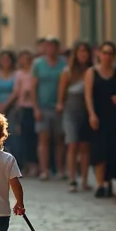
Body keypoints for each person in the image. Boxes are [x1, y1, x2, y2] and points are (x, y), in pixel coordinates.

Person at [86, 41, 116, 198]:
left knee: (112, 149)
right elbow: (88, 96)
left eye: (110, 53)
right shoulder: (92, 72)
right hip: (98, 114)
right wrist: (91, 114)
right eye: (105, 52)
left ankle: (109, 181)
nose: (107, 56)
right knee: (99, 150)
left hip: (114, 114)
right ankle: (100, 183)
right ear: (99, 54)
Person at [58, 41, 94, 191]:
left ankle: (85, 179)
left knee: (85, 146)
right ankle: (72, 178)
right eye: (80, 52)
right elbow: (62, 94)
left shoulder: (92, 71)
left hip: (86, 112)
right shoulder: (68, 72)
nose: (83, 55)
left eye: (85, 51)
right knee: (72, 144)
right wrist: (60, 104)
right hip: (70, 112)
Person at [31, 38, 67, 181]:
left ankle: (60, 169)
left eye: (54, 46)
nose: (51, 49)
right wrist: (35, 107)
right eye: (48, 46)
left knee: (59, 139)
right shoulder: (38, 64)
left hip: (59, 107)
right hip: (43, 106)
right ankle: (44, 170)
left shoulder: (63, 63)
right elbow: (34, 87)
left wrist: (61, 102)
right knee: (43, 139)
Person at [13, 50, 39, 176]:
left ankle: (35, 164)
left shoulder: (34, 72)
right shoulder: (19, 74)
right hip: (22, 106)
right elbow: (16, 90)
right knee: (23, 137)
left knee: (34, 137)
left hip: (34, 106)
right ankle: (26, 165)